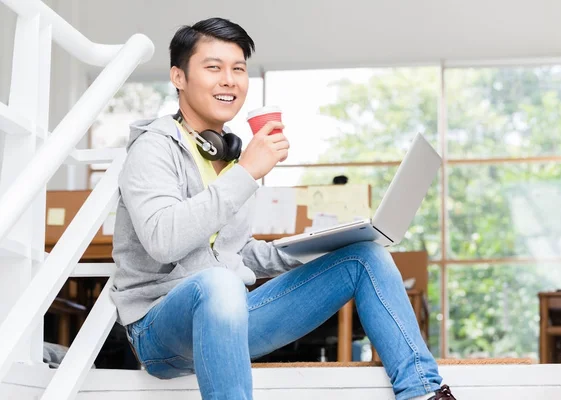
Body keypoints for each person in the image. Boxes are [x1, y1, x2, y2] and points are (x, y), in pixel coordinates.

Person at [109, 17, 457, 400]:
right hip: (160, 332)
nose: (229, 80)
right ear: (179, 77)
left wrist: (312, 246)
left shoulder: (225, 156)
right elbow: (164, 241)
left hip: (231, 319)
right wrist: (245, 174)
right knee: (220, 284)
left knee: (364, 257)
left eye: (238, 69)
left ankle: (423, 392)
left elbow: (232, 254)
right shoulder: (153, 148)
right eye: (213, 68)